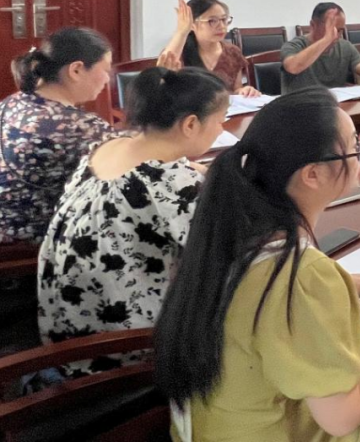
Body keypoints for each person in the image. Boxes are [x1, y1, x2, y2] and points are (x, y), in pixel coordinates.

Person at [154, 88, 360, 442]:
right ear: (312, 174)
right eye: (354, 145)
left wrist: (339, 287)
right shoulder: (301, 275)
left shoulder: (229, 229)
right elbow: (342, 418)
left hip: (208, 430)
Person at [38, 67, 228, 376]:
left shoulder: (108, 146)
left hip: (64, 323)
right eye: (220, 121)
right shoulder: (174, 184)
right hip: (117, 349)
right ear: (191, 124)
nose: (221, 129)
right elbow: (224, 255)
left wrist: (191, 171)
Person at [0, 28, 115, 247]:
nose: (108, 79)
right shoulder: (80, 128)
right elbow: (136, 169)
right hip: (37, 253)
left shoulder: (11, 104)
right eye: (105, 70)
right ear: (76, 70)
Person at [157, 0, 260, 97]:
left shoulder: (232, 52)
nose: (222, 26)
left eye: (224, 19)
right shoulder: (180, 51)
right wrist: (181, 32)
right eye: (212, 21)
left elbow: (236, 89)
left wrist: (244, 91)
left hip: (226, 107)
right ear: (192, 24)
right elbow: (162, 80)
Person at [281, 3, 360, 93]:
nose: (335, 36)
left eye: (340, 31)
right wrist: (326, 40)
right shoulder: (294, 45)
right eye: (330, 30)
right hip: (298, 107)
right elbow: (293, 67)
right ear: (313, 25)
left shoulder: (345, 47)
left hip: (334, 106)